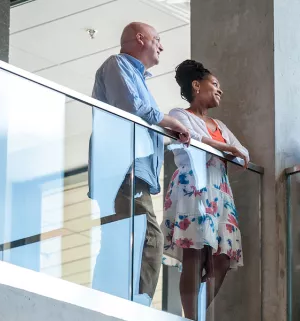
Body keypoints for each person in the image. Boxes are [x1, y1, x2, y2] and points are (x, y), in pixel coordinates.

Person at [89, 22, 191, 303]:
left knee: (117, 239)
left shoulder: (136, 77)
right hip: (123, 169)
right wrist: (167, 121)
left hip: (128, 170)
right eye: (157, 39)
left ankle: (104, 301)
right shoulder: (117, 65)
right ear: (140, 38)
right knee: (150, 237)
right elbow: (131, 107)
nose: (161, 45)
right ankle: (140, 304)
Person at [162, 60, 249, 320]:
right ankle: (191, 316)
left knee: (223, 257)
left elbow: (242, 152)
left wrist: (228, 149)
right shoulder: (180, 114)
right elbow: (190, 136)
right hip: (193, 186)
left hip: (220, 192)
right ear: (196, 85)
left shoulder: (219, 125)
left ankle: (198, 313)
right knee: (195, 253)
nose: (219, 90)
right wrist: (225, 149)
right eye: (215, 84)